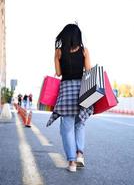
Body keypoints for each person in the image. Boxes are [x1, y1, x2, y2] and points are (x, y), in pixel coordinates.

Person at [46, 23, 93, 172]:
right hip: (82, 91)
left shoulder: (59, 52)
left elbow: (58, 73)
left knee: (67, 128)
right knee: (80, 124)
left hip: (66, 91)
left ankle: (72, 163)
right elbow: (89, 71)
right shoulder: (85, 51)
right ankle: (80, 154)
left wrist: (56, 58)